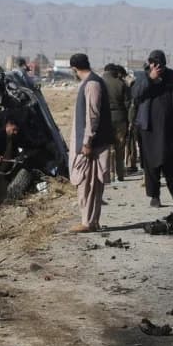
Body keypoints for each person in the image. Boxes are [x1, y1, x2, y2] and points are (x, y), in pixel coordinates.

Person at [132, 50, 173, 208]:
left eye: (159, 63)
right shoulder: (142, 77)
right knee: (151, 165)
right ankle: (154, 196)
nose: (156, 66)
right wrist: (151, 79)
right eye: (153, 63)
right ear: (149, 63)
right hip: (149, 129)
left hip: (170, 129)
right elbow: (135, 95)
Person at [68, 53, 113, 232]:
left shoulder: (92, 84)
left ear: (74, 68)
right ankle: (90, 221)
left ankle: (88, 222)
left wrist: (87, 142)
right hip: (90, 144)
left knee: (89, 184)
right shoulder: (89, 83)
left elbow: (92, 116)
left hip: (92, 146)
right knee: (87, 184)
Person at [102, 64, 131, 182]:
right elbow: (128, 105)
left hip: (105, 120)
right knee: (120, 147)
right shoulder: (121, 84)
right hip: (120, 119)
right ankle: (120, 175)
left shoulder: (99, 83)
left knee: (108, 148)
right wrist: (130, 121)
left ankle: (110, 174)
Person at [125, 68, 140, 173]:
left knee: (131, 144)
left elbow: (132, 109)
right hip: (139, 122)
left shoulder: (132, 96)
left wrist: (130, 122)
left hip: (133, 122)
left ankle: (131, 164)